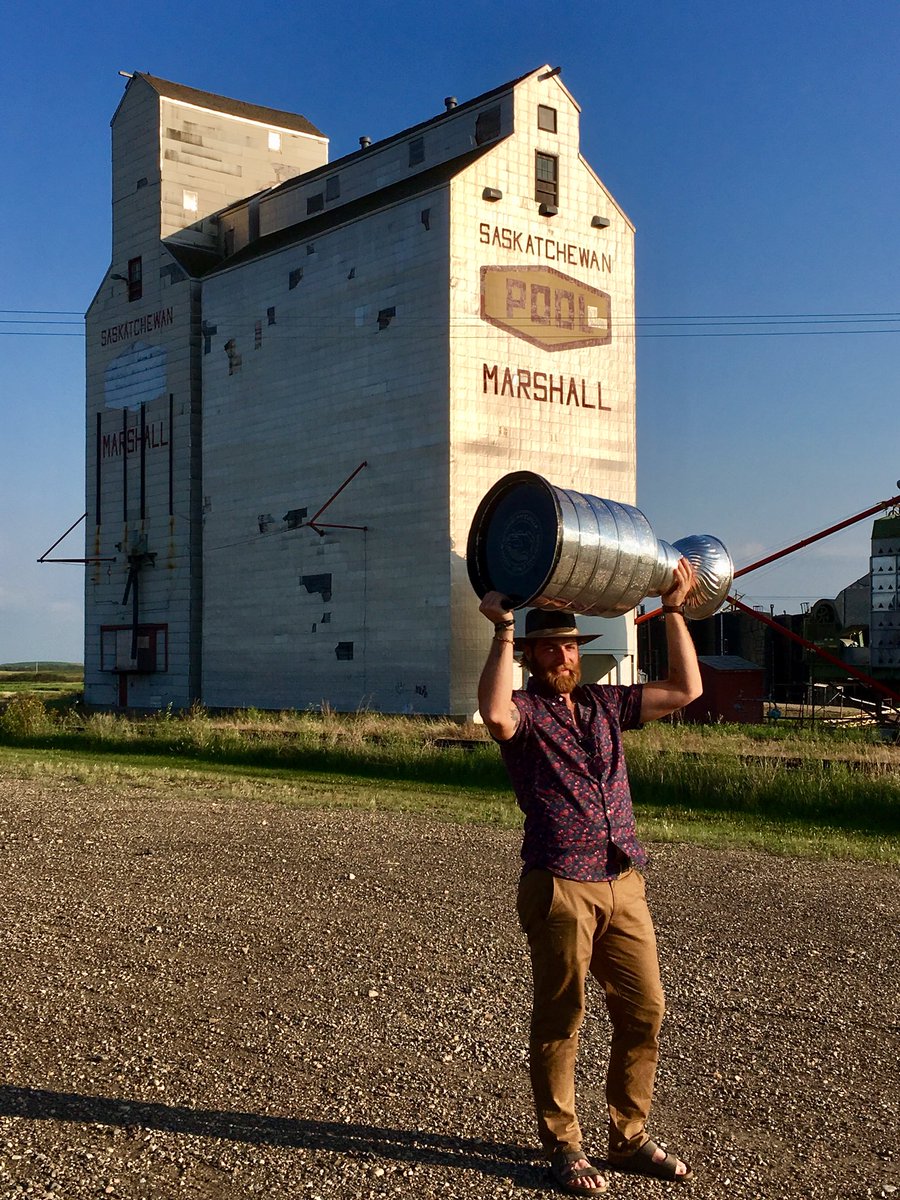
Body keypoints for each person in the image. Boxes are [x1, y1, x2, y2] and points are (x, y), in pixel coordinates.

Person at [477, 558, 701, 1195]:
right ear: (531, 656)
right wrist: (502, 629)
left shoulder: (606, 703)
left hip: (622, 879)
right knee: (562, 1015)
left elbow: (686, 690)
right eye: (550, 648)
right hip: (559, 884)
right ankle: (564, 1144)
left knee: (645, 1009)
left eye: (570, 647)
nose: (563, 657)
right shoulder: (524, 713)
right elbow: (493, 714)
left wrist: (674, 610)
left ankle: (628, 1137)